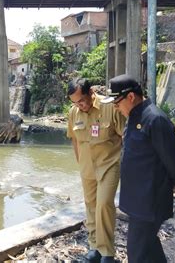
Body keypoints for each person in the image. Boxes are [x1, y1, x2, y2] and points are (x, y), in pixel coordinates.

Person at [102, 74, 175, 263]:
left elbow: (171, 159)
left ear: (131, 97)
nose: (115, 107)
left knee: (137, 252)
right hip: (138, 199)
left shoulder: (155, 119)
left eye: (117, 102)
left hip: (150, 199)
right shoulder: (134, 116)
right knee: (148, 246)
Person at [67, 78, 126, 263]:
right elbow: (75, 140)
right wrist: (80, 163)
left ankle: (107, 252)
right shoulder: (73, 113)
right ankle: (94, 248)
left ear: (91, 92)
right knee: (91, 206)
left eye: (82, 100)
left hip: (108, 164)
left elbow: (126, 137)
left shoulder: (110, 107)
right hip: (87, 167)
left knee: (104, 204)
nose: (80, 105)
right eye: (75, 102)